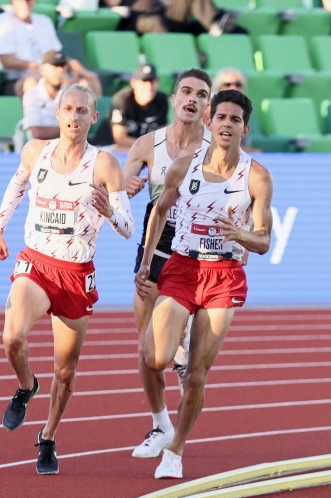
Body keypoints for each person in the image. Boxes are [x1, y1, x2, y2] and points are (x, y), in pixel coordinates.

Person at [0, 84, 135, 475]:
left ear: (94, 117)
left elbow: (128, 227)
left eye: (82, 111)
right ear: (57, 113)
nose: (74, 117)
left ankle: (49, 437)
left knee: (66, 371)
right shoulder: (35, 150)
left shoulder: (104, 165)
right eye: (68, 109)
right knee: (11, 337)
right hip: (36, 263)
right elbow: (17, 185)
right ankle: (25, 386)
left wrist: (109, 211)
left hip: (75, 275)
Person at [135, 89, 273, 479]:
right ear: (209, 122)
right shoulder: (183, 167)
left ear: (244, 128)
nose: (226, 125)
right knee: (156, 358)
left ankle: (175, 450)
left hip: (223, 276)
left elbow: (264, 241)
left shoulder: (257, 176)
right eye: (221, 118)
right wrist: (147, 263)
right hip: (181, 268)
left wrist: (240, 235)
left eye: (235, 120)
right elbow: (158, 212)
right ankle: (174, 350)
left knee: (197, 374)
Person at [124, 68, 212, 459]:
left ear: (207, 106)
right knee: (147, 348)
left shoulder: (217, 147)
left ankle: (181, 350)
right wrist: (126, 185)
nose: (193, 99)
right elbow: (120, 186)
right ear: (174, 98)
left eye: (201, 94)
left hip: (195, 254)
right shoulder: (148, 144)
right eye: (187, 92)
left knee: (178, 342)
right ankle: (160, 424)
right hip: (154, 247)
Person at [22, 50, 102, 140]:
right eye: (55, 65)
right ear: (42, 69)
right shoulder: (32, 94)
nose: (60, 70)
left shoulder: (74, 93)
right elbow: (37, 133)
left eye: (63, 65)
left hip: (70, 148)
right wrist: (74, 128)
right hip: (40, 149)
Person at [0, 0, 63, 96]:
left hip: (48, 77)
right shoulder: (3, 21)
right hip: (13, 81)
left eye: (28, 0)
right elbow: (6, 60)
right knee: (31, 83)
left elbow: (56, 55)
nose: (25, 3)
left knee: (81, 84)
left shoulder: (44, 21)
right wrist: (35, 66)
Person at [102, 64, 169, 152]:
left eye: (152, 81)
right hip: (110, 148)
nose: (149, 86)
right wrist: (150, 145)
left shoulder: (161, 100)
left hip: (143, 150)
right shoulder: (122, 99)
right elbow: (120, 140)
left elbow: (161, 135)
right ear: (133, 83)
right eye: (144, 81)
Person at [100, 0, 247, 36]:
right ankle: (183, 52)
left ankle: (216, 21)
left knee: (238, 31)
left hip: (164, 13)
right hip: (134, 20)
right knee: (156, 23)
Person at [211, 67, 260, 154]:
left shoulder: (245, 110)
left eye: (238, 84)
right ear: (218, 87)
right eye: (227, 84)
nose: (233, 88)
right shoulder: (209, 110)